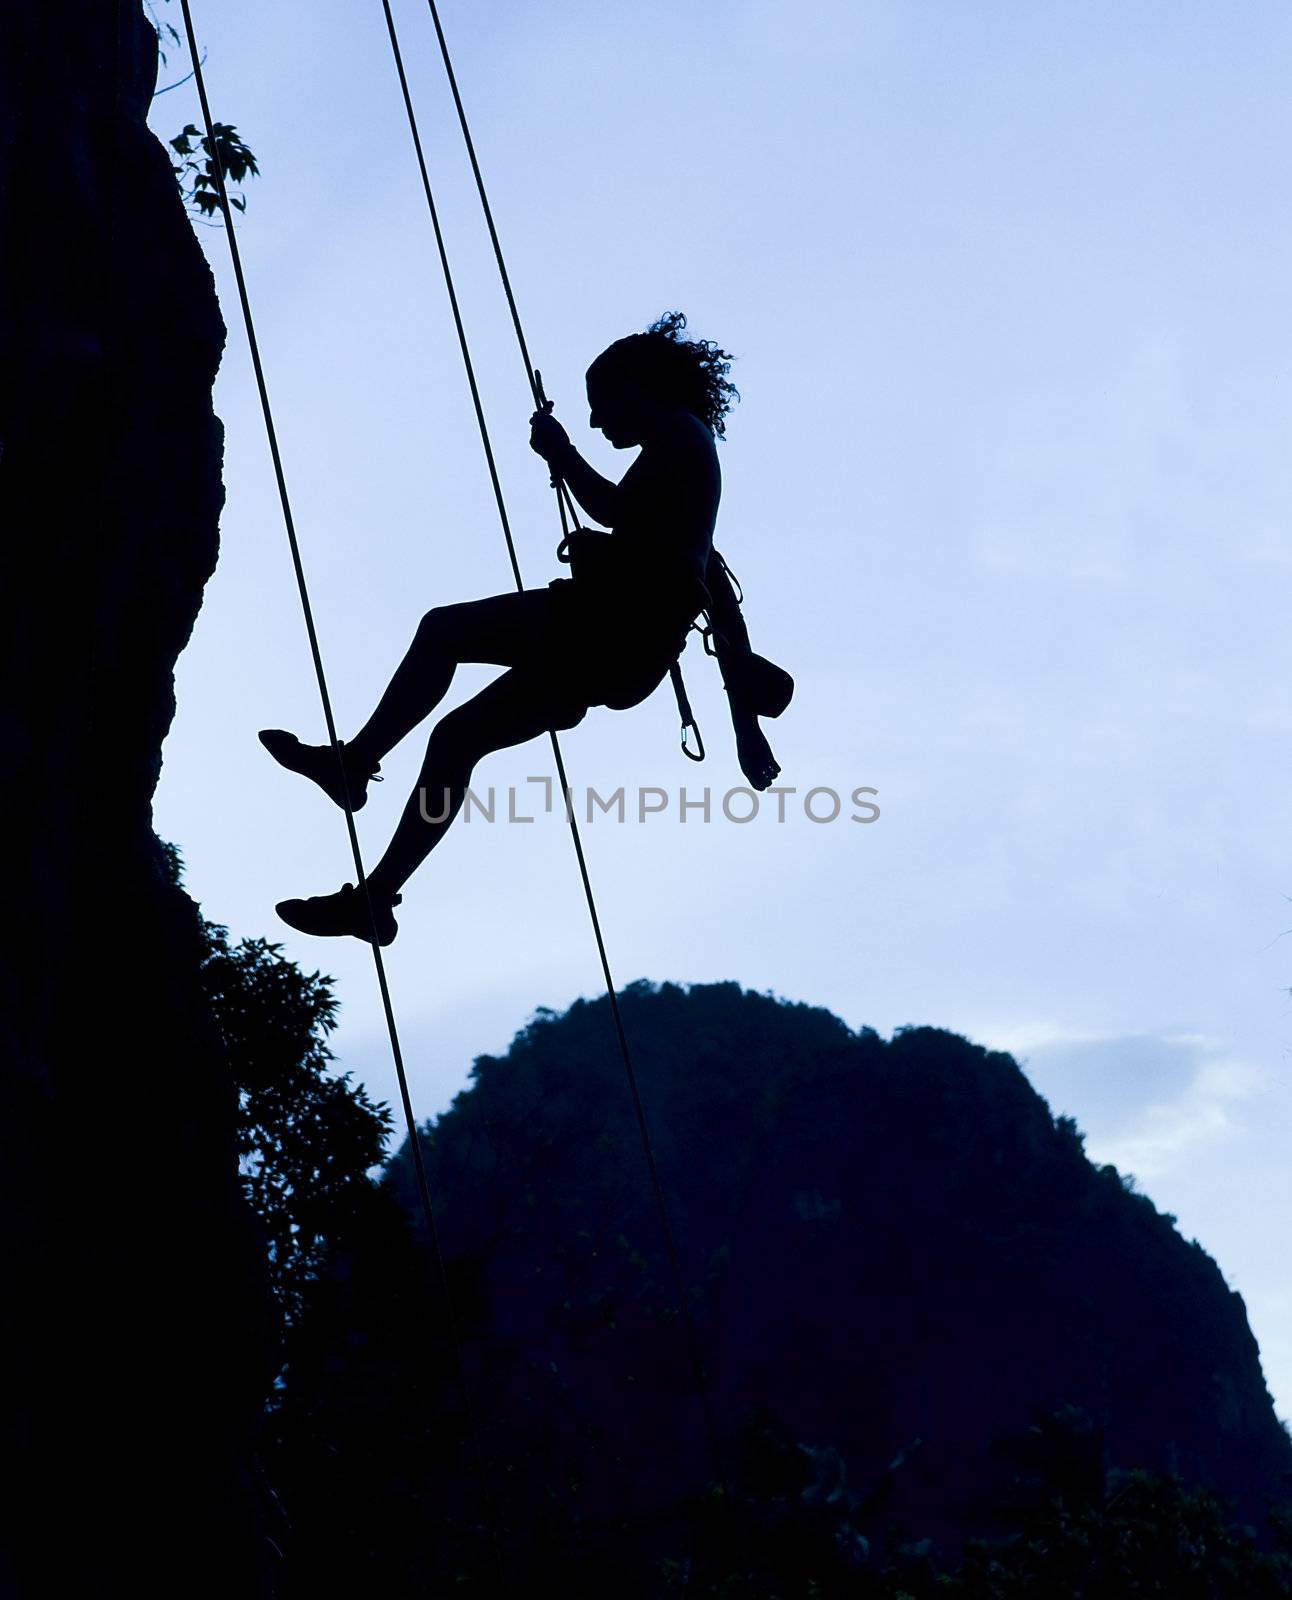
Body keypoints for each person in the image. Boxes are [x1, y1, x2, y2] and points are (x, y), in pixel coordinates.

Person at [261, 311, 782, 947]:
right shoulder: (690, 463)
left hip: (604, 632)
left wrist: (562, 453)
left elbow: (619, 511)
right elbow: (714, 591)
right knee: (455, 740)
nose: (595, 421)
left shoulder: (680, 433)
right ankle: (375, 898)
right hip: (619, 654)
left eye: (601, 405)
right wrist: (746, 732)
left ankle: (356, 762)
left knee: (443, 632)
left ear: (638, 387)